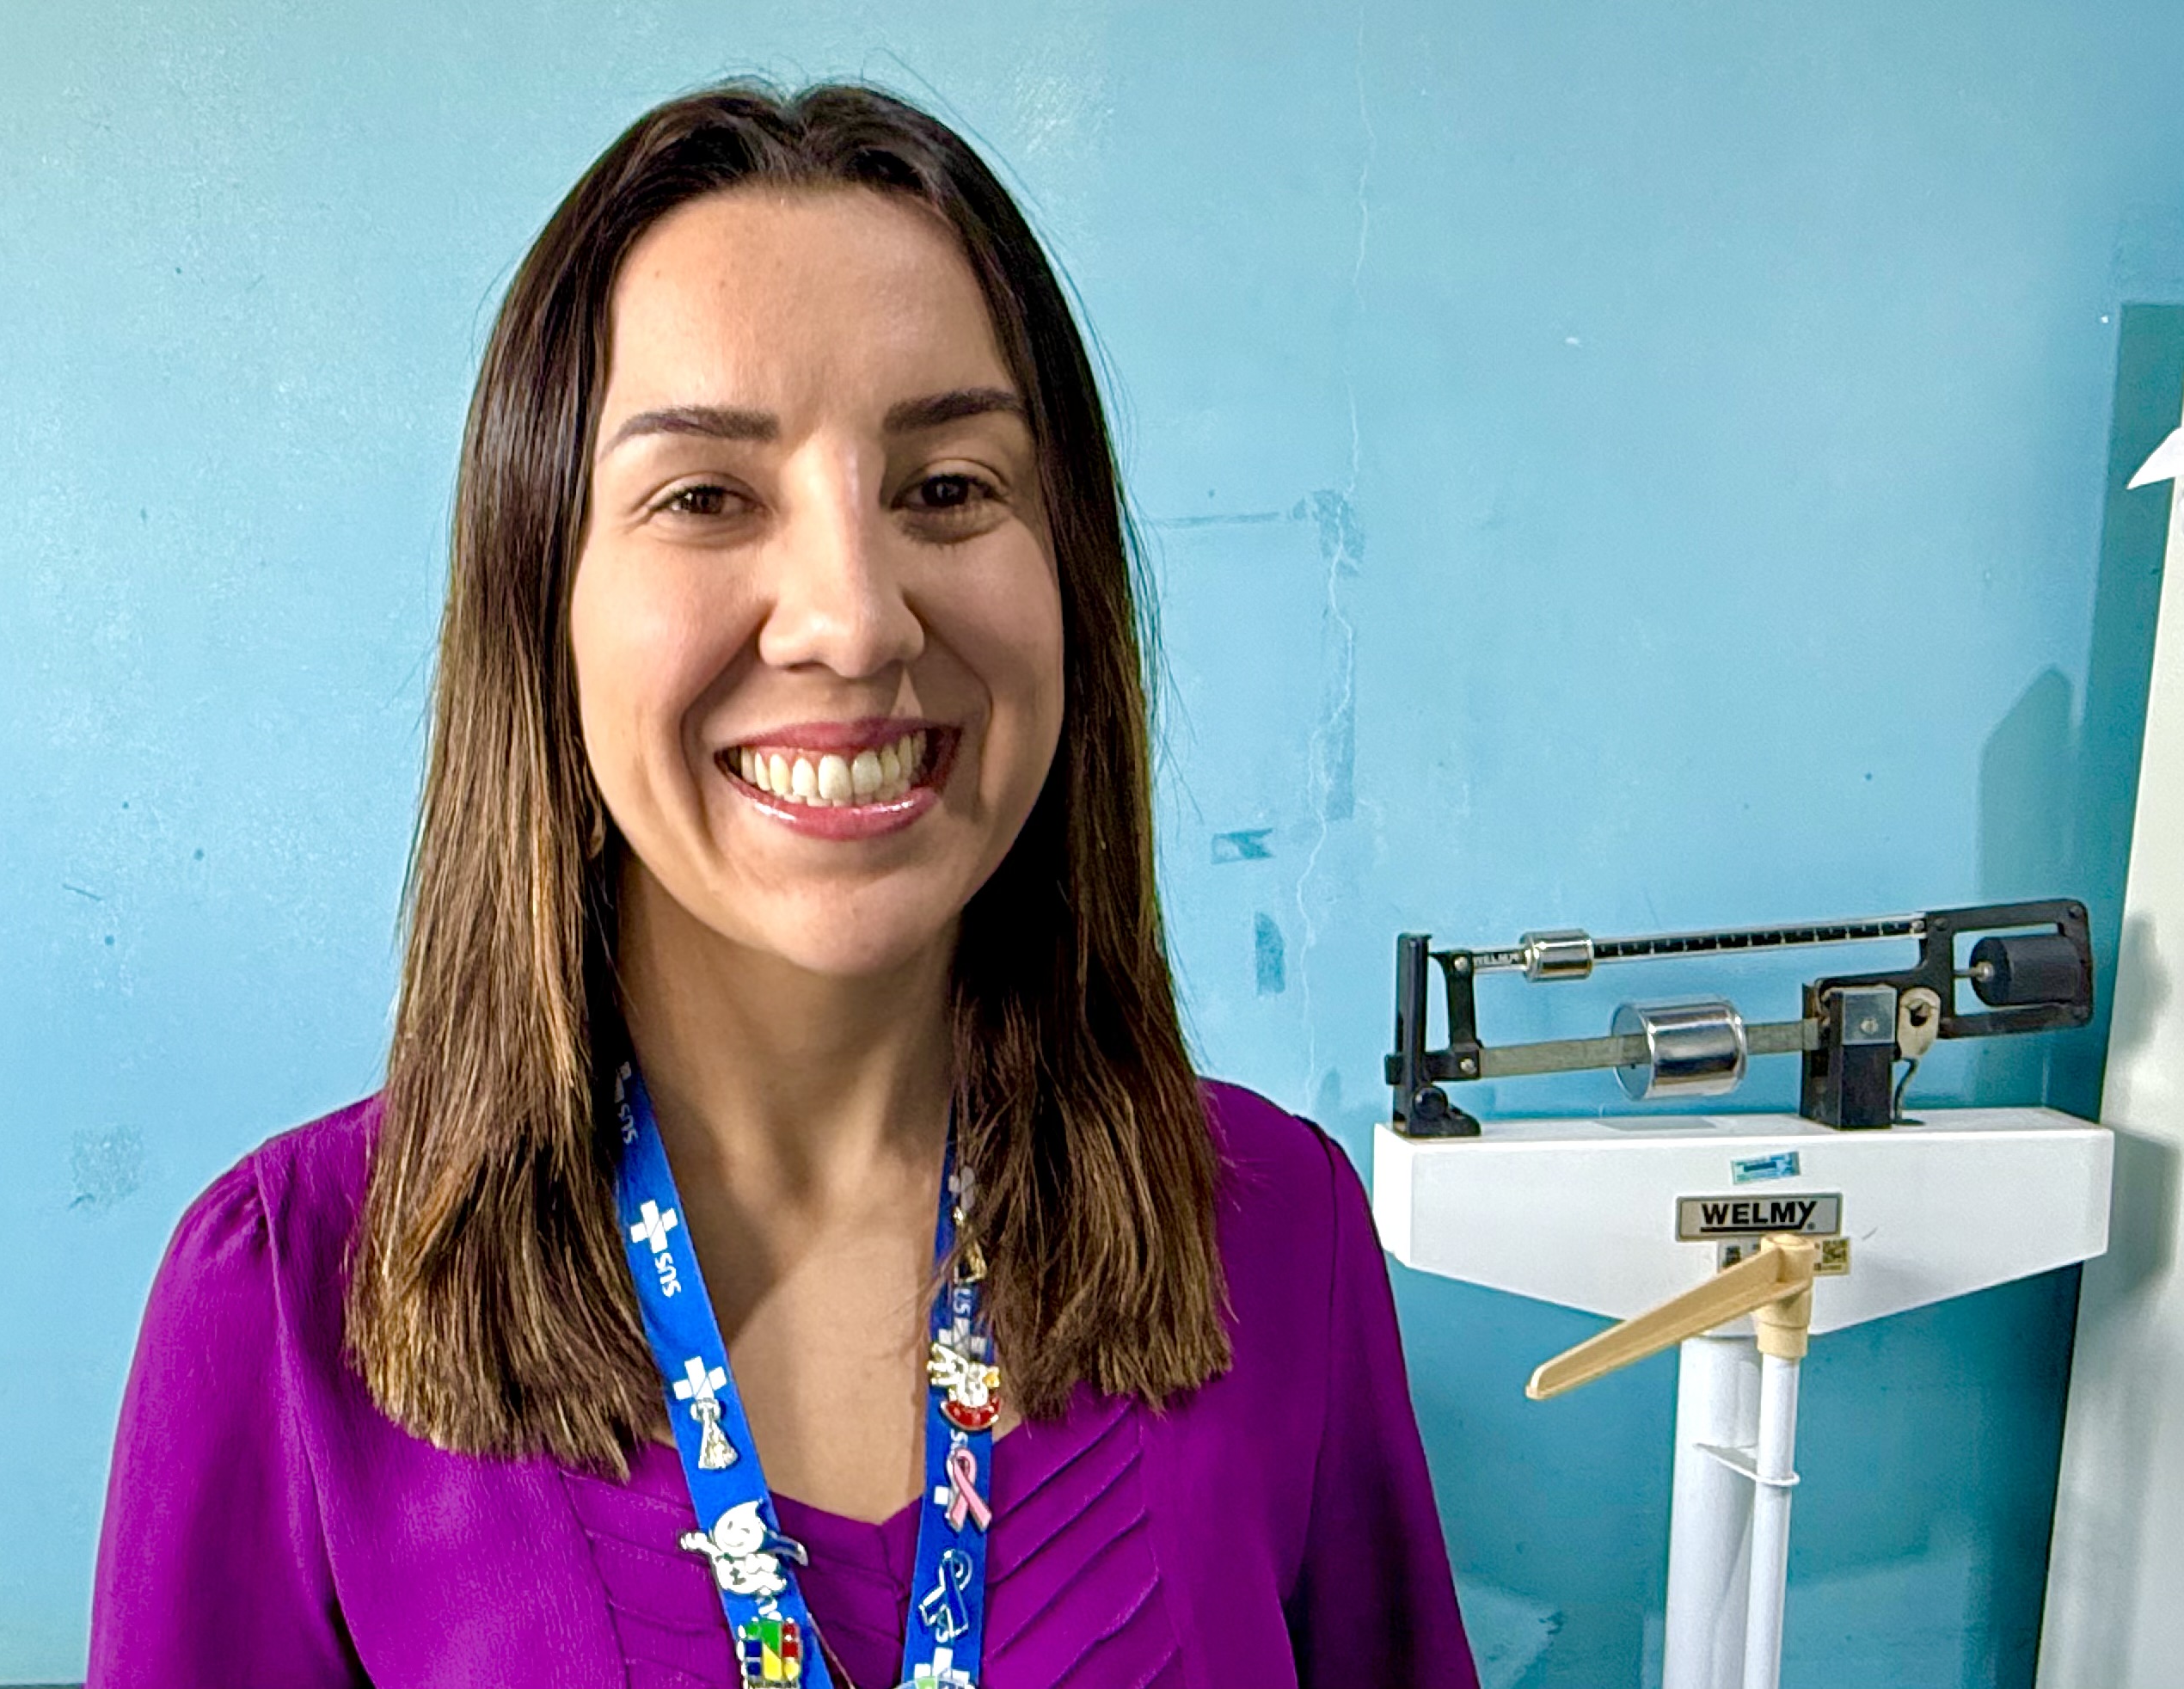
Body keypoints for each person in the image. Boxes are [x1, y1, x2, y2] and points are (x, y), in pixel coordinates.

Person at [88, 80, 1476, 1689]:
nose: (854, 619)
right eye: (706, 497)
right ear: (543, 606)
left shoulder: (1278, 1238)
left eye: (948, 488)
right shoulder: (284, 1310)